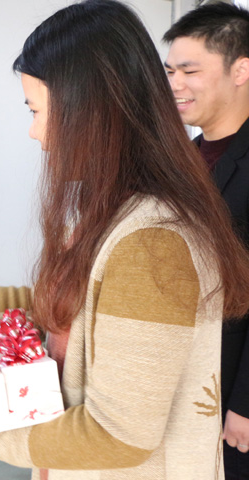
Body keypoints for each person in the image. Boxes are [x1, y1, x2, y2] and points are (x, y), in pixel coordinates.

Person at [0, 1, 249, 478]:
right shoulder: (116, 210)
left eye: (37, 111)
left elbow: (116, 436)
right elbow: (54, 309)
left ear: (92, 111)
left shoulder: (152, 243)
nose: (36, 133)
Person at [164, 5, 249, 478]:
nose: (175, 84)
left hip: (233, 389)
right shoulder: (186, 160)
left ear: (241, 69)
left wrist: (245, 403)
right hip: (186, 380)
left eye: (190, 71)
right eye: (170, 71)